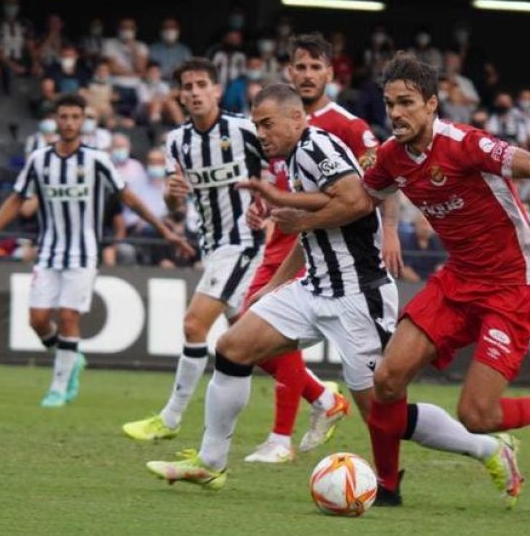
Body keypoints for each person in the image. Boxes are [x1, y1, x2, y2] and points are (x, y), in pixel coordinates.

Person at [358, 54, 530, 507]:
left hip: (512, 283)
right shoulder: (391, 156)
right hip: (458, 278)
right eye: (389, 104)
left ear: (431, 104)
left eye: (406, 103)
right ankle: (387, 487)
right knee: (387, 378)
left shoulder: (465, 144)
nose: (396, 113)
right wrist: (310, 212)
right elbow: (368, 192)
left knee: (476, 414)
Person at [145, 83, 410, 491]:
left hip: (358, 293)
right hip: (315, 287)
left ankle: (479, 446)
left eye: (267, 124)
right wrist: (273, 285)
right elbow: (310, 237)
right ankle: (210, 463)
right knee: (232, 348)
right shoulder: (293, 160)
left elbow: (357, 203)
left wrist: (299, 220)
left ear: (297, 118)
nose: (261, 134)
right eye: (256, 126)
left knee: (381, 409)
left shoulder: (316, 148)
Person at [237, 33, 402, 464]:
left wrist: (391, 231)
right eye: (300, 67)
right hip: (295, 245)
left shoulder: (347, 127)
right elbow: (276, 182)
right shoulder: (271, 121)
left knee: (380, 400)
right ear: (290, 72)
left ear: (330, 73)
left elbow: (374, 187)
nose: (307, 74)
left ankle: (288, 430)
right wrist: (261, 207)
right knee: (245, 337)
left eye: (316, 67)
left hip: (345, 256)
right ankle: (305, 413)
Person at [0, 93, 193, 407]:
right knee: (37, 321)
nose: (69, 123)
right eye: (64, 117)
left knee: (68, 316)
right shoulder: (40, 160)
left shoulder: (96, 160)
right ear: (56, 120)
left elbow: (128, 197)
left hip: (84, 252)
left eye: (75, 117)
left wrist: (164, 231)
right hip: (48, 252)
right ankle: (71, 357)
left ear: (83, 122)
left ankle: (58, 388)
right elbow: (16, 200)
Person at [122, 58, 266, 440]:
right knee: (252, 341)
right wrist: (171, 198)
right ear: (181, 96)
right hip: (213, 247)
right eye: (188, 87)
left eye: (202, 84)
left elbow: (281, 168)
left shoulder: (243, 130)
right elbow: (176, 206)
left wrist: (269, 208)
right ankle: (321, 398)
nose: (195, 92)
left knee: (193, 324)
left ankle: (170, 418)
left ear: (217, 90)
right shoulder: (176, 142)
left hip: (245, 244)